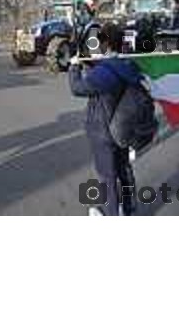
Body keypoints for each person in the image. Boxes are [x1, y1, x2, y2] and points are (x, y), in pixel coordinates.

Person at [68, 22, 144, 216]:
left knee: (107, 176)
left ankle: (111, 214)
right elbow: (105, 74)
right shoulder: (129, 65)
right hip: (123, 128)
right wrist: (92, 64)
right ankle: (128, 210)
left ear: (106, 43)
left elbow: (78, 88)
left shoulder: (107, 71)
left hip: (103, 131)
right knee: (124, 170)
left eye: (100, 40)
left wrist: (74, 67)